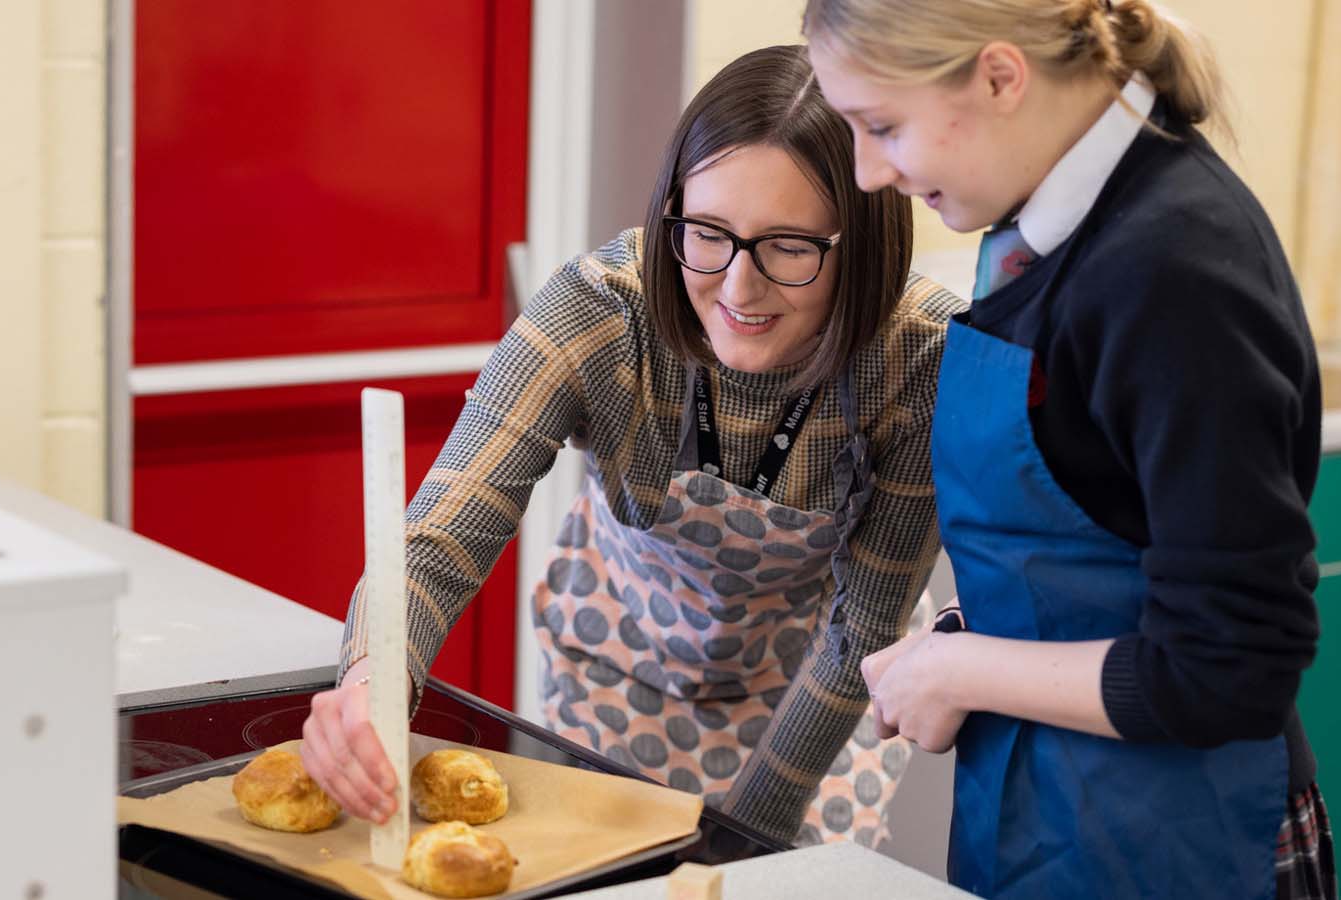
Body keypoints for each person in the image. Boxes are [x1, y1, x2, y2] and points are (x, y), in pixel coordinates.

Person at [300, 44, 965, 846]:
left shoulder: (920, 359)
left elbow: (861, 625)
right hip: (617, 667)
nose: (739, 287)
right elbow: (441, 539)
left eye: (789, 247)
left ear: (860, 245)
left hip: (815, 693)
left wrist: (747, 832)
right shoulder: (601, 312)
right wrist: (370, 681)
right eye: (708, 233)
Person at [803, 0, 1334, 896]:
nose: (867, 173)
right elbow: (1100, 526)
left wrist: (964, 669)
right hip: (1052, 818)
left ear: (1000, 78)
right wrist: (958, 642)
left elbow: (1228, 667)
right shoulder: (1041, 224)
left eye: (883, 127)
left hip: (1182, 840)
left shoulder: (1173, 271)